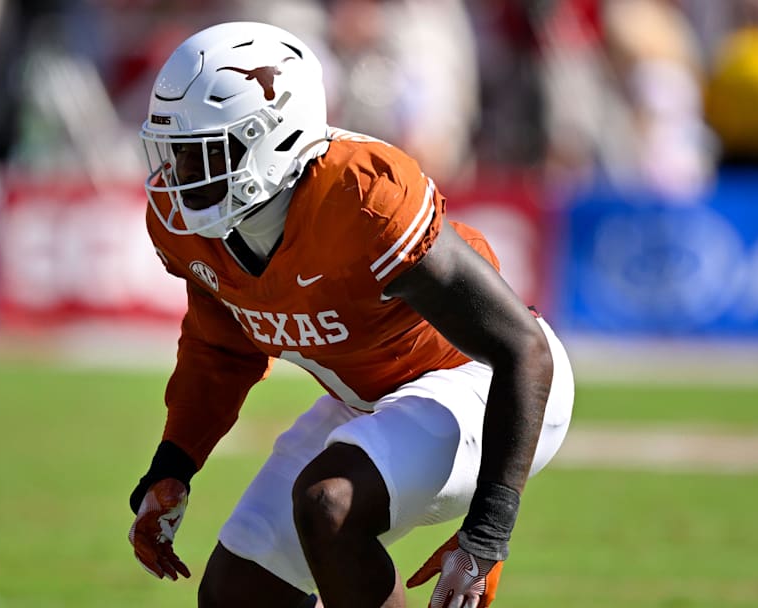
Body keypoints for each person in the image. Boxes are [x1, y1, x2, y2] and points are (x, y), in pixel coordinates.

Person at [127, 21, 575, 608]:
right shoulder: (194, 231)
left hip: (489, 382)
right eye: (176, 156)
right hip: (370, 396)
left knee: (329, 502)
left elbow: (522, 349)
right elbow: (221, 350)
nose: (181, 180)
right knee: (239, 594)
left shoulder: (364, 198)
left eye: (204, 154)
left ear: (272, 138)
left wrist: (485, 535)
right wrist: (174, 464)